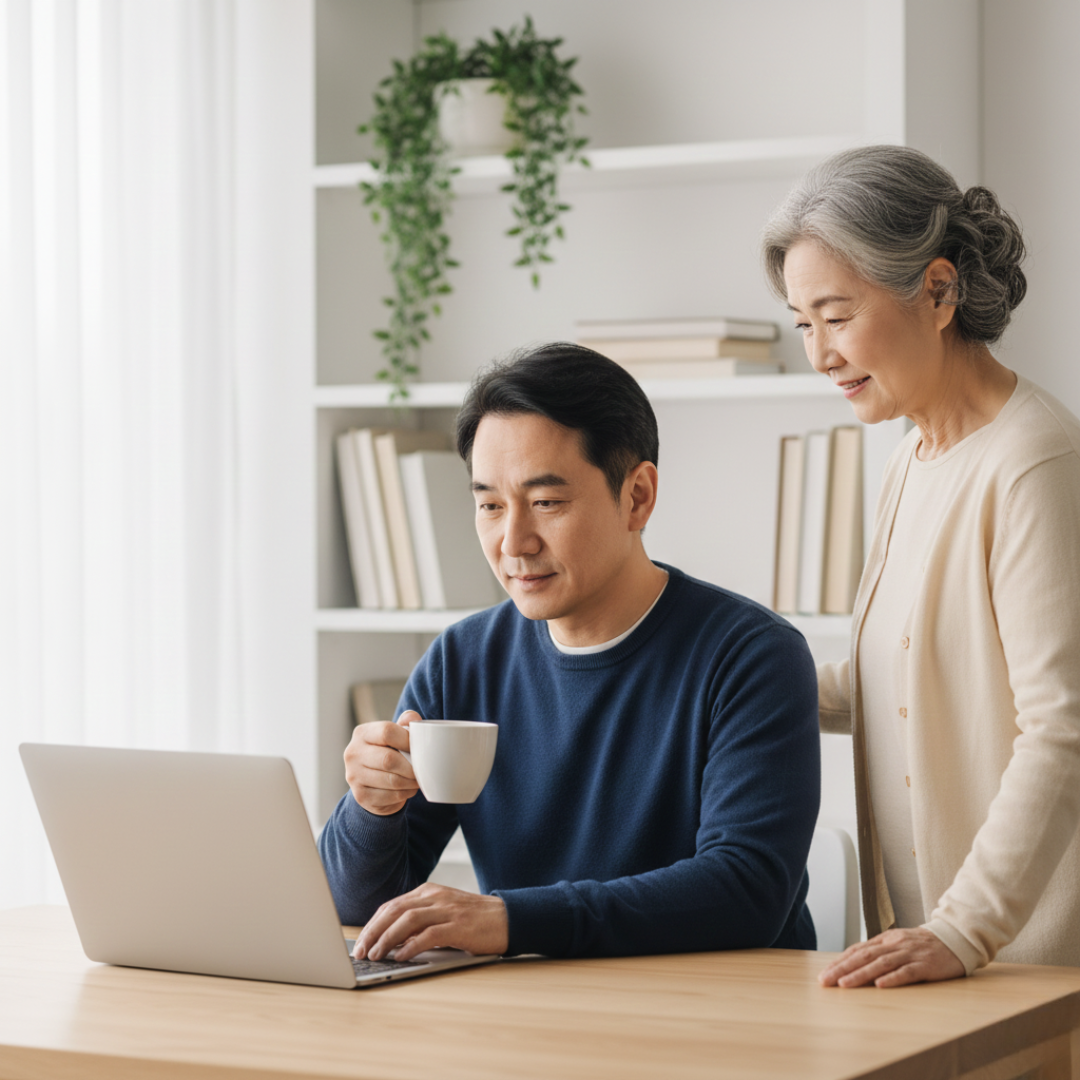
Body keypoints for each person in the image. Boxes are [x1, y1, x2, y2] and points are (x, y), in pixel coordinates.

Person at [319, 343, 821, 963]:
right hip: (535, 1001)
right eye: (490, 506)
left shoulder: (751, 656)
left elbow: (747, 890)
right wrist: (371, 809)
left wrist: (512, 921)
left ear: (637, 496)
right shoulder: (462, 662)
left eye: (546, 503)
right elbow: (355, 911)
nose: (513, 542)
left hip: (720, 1006)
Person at [762, 145, 1080, 988]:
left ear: (938, 292)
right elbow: (902, 677)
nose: (820, 354)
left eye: (836, 316)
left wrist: (963, 929)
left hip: (1031, 966)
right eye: (802, 324)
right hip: (930, 955)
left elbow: (1062, 727)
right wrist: (722, 679)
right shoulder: (912, 458)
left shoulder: (1033, 462)